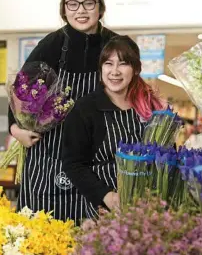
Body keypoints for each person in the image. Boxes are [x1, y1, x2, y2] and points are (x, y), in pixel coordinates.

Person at [7, 0, 118, 224]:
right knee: (42, 233)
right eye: (73, 4)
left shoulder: (115, 45)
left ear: (100, 8)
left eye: (89, 3)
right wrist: (16, 129)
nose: (81, 10)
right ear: (64, 9)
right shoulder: (52, 45)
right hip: (49, 155)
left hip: (98, 158)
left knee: (96, 237)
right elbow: (20, 93)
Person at [61, 35, 166, 220]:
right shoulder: (85, 109)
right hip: (104, 210)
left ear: (135, 69)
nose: (114, 71)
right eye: (109, 63)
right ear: (101, 68)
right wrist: (107, 196)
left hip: (149, 207)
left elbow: (166, 153)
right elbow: (74, 165)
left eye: (123, 63)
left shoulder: (150, 107)